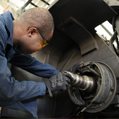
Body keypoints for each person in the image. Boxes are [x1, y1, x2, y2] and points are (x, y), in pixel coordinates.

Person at [0, 7, 75, 118]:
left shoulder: (8, 36)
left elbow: (28, 62)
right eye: (44, 43)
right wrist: (46, 87)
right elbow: (5, 91)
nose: (41, 48)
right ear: (32, 32)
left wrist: (56, 73)